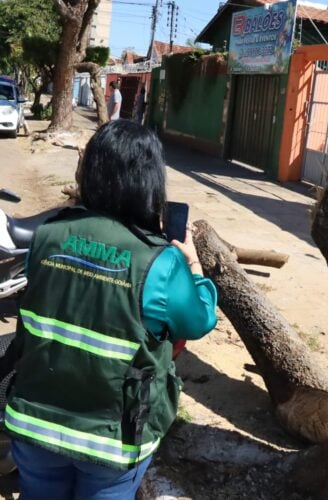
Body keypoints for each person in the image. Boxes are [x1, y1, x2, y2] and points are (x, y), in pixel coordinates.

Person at [4, 120, 218, 499]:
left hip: (34, 423)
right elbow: (200, 320)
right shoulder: (160, 262)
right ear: (149, 180)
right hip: (113, 442)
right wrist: (195, 267)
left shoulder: (47, 235)